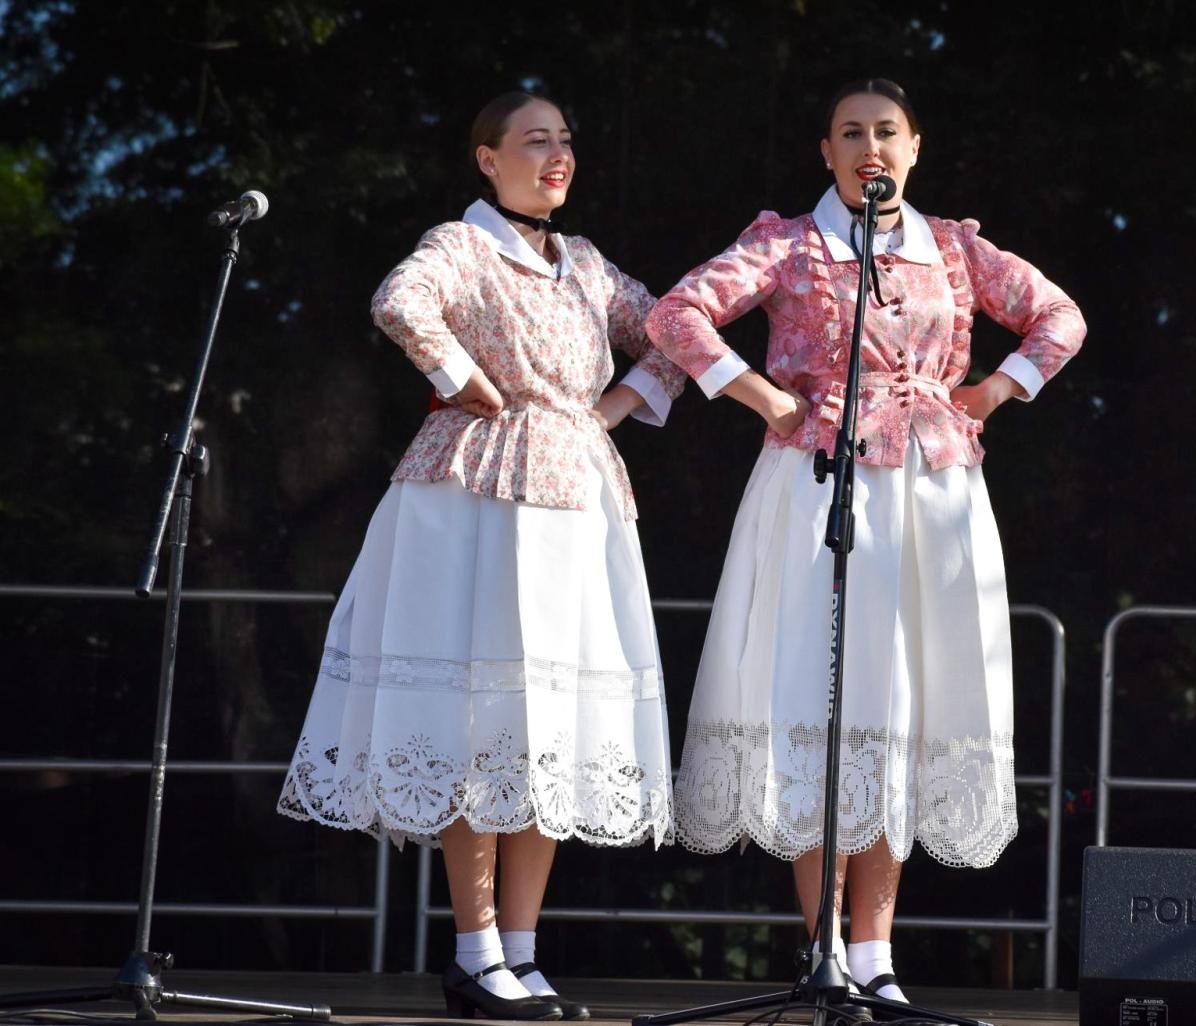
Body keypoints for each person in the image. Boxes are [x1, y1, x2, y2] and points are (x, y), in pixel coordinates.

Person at [646, 78, 1086, 1005]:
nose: (870, 147)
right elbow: (677, 314)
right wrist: (758, 393)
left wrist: (995, 390)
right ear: (827, 152)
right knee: (823, 703)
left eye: (887, 131)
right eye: (851, 133)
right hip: (819, 485)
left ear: (915, 148)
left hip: (931, 494)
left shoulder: (955, 249)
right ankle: (825, 953)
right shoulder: (788, 242)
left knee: (899, 710)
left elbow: (1060, 318)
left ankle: (877, 956)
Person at [277, 91, 684, 1021]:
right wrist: (466, 382)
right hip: (479, 488)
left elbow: (672, 332)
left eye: (567, 141)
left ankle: (522, 953)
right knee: (480, 709)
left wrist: (615, 410)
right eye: (535, 140)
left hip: (576, 490)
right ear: (486, 159)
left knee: (549, 725)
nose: (558, 155)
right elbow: (399, 300)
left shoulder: (583, 264)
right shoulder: (462, 244)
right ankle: (474, 949)